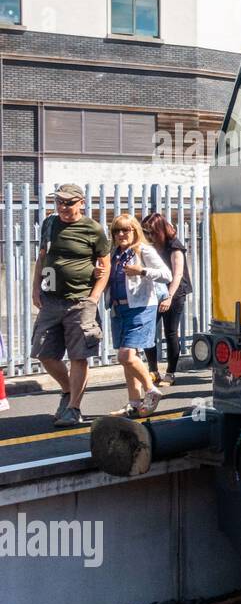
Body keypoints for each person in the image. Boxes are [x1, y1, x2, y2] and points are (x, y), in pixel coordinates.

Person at [31, 183, 110, 427]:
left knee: (79, 356)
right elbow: (42, 257)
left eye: (69, 202)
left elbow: (105, 266)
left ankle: (73, 408)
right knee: (43, 353)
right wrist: (35, 288)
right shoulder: (50, 224)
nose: (63, 207)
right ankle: (68, 391)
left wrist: (94, 298)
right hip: (51, 300)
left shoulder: (93, 229)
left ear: (81, 203)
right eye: (60, 202)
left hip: (80, 301)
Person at [106, 214, 172, 418]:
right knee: (129, 359)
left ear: (135, 231)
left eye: (126, 229)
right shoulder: (114, 253)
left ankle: (151, 389)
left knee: (125, 355)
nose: (121, 234)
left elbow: (166, 275)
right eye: (117, 230)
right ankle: (134, 403)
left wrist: (141, 271)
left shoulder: (144, 250)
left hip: (141, 307)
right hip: (119, 309)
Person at [140, 212, 193, 386]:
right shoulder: (148, 246)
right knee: (148, 331)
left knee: (171, 332)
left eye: (151, 232)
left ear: (160, 230)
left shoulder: (174, 246)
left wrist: (169, 297)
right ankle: (153, 370)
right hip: (153, 292)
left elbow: (177, 275)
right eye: (145, 232)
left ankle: (170, 373)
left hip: (174, 292)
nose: (148, 236)